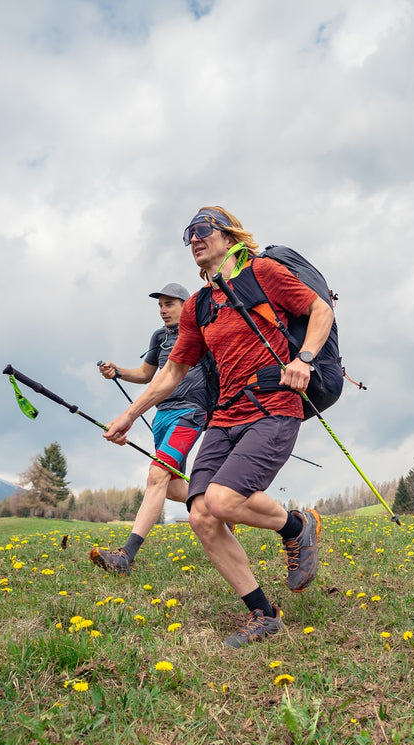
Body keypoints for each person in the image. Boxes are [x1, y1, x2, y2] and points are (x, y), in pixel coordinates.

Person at [102, 207, 334, 647]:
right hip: (225, 414)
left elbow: (319, 310)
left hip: (273, 405)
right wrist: (130, 415)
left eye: (202, 230)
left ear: (228, 237)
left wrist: (303, 359)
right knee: (202, 514)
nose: (193, 239)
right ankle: (263, 614)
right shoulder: (198, 306)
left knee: (224, 500)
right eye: (187, 234)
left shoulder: (263, 272)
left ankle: (296, 526)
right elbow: (172, 372)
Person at [90, 283, 212, 575]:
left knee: (157, 474)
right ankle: (217, 506)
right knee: (170, 485)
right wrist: (117, 370)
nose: (162, 310)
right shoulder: (159, 337)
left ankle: (126, 556)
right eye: (160, 305)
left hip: (191, 413)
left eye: (169, 304)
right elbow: (146, 375)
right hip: (162, 415)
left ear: (186, 304)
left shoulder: (201, 331)